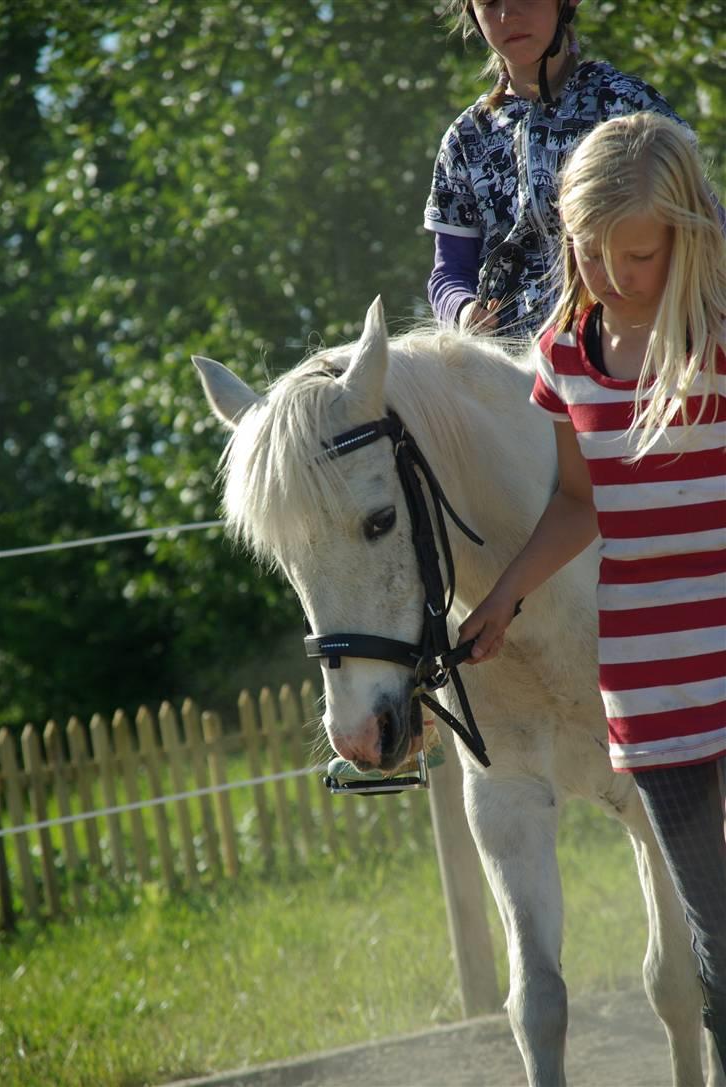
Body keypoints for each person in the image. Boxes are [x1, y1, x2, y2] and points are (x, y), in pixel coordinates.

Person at [457, 111, 726, 1069]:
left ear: (689, 234)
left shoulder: (720, 339)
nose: (613, 276)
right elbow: (579, 501)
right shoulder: (568, 351)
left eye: (639, 255)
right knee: (718, 950)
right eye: (591, 253)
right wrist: (503, 601)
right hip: (653, 702)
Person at [424, 0, 690, 339]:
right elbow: (450, 272)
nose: (508, 15)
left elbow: (704, 224)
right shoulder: (464, 138)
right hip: (506, 368)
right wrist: (461, 310)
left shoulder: (625, 105)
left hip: (621, 348)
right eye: (489, 2)